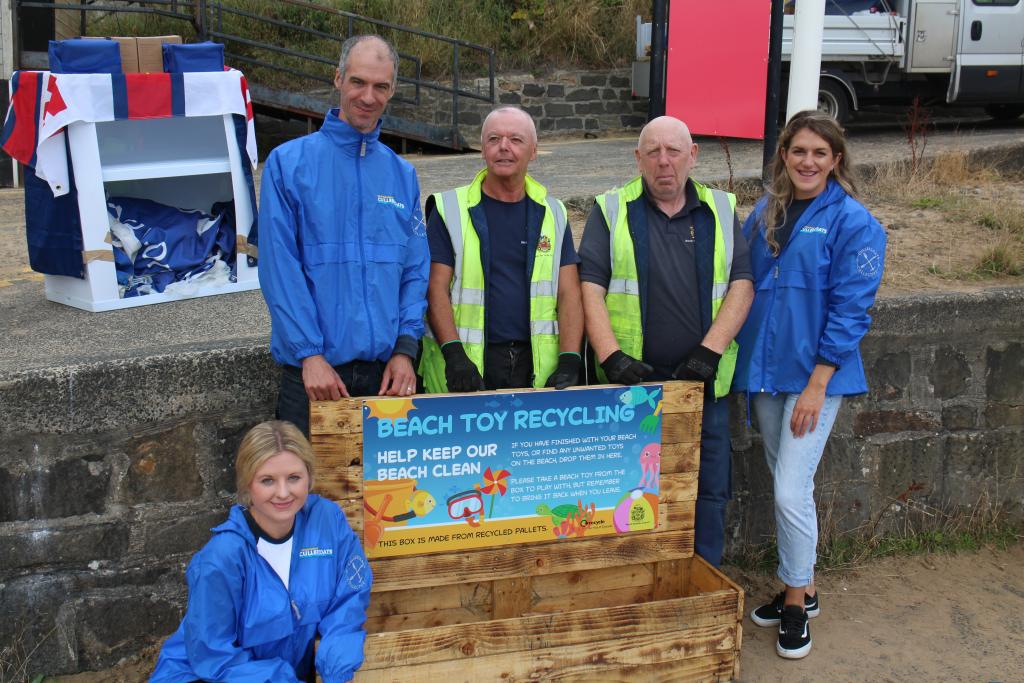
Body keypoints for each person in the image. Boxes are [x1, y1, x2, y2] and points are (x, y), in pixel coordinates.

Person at [734, 110, 886, 659]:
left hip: (815, 377)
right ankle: (810, 586)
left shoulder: (853, 221)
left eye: (820, 153)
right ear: (784, 155)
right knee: (786, 483)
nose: (808, 161)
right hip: (768, 373)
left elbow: (852, 308)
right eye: (799, 151)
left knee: (787, 490)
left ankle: (794, 604)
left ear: (836, 161)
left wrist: (820, 382)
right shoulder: (764, 213)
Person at [578, 116, 754, 567]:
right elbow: (589, 288)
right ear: (638, 158)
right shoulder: (611, 209)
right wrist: (611, 356)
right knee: (627, 494)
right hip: (632, 389)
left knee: (707, 490)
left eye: (673, 151)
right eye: (652, 151)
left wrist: (709, 352)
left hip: (702, 386)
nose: (663, 162)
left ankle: (702, 578)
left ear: (692, 155)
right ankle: (636, 584)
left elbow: (742, 284)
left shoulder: (719, 208)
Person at [258, 35, 428, 436]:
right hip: (315, 377)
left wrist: (406, 351)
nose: (368, 97)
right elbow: (280, 269)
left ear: (392, 90)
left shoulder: (402, 175)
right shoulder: (288, 165)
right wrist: (309, 354)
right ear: (338, 79)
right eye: (358, 82)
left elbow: (415, 271)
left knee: (389, 498)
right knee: (308, 497)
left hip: (387, 377)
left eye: (380, 86)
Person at [150, 420, 371, 682]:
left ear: (309, 478)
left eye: (294, 478)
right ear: (247, 485)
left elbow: (348, 600)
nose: (283, 492)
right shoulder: (222, 558)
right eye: (267, 480)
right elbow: (215, 659)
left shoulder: (328, 521)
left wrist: (335, 672)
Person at [419, 106, 584, 393]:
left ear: (533, 151)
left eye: (515, 140)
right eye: (494, 139)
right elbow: (435, 287)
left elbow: (569, 291)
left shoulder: (553, 213)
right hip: (466, 369)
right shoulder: (450, 209)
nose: (503, 147)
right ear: (483, 149)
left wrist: (570, 357)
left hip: (535, 370)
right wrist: (454, 353)